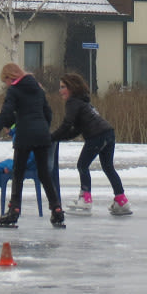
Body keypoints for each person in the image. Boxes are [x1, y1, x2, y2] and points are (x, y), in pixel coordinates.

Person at [0, 62, 63, 228]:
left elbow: (6, 112)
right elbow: (48, 112)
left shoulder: (14, 90)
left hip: (25, 135)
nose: (5, 84)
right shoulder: (37, 88)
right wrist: (43, 127)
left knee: (18, 174)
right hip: (42, 134)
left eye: (5, 80)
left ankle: (14, 211)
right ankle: (56, 209)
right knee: (44, 174)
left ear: (10, 77)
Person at [51, 73, 130, 216]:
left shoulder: (72, 102)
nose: (60, 90)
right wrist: (58, 138)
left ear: (71, 88)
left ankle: (85, 200)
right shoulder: (83, 102)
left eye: (63, 87)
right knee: (108, 167)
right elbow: (76, 130)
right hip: (108, 133)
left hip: (97, 136)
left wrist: (52, 137)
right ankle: (121, 200)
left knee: (82, 165)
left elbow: (67, 124)